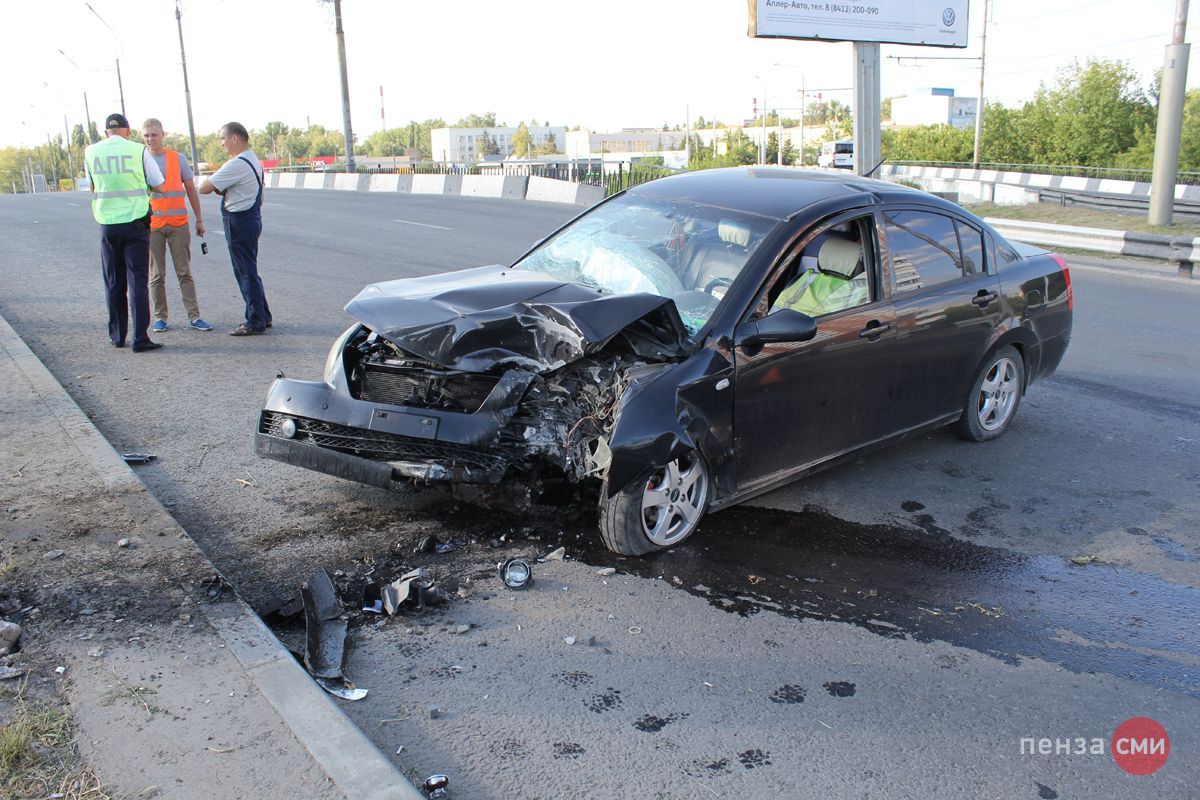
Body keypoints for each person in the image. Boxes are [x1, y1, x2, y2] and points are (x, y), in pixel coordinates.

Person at [83, 112, 167, 352]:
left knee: (113, 280)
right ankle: (140, 338)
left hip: (108, 224)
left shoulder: (91, 152)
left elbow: (91, 187)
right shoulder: (137, 150)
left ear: (105, 132)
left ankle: (118, 336)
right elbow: (159, 185)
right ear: (128, 131)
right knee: (137, 279)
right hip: (135, 222)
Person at [199, 122, 272, 336]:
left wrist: (216, 184)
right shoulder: (252, 159)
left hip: (239, 221)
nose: (222, 143)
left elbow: (204, 188)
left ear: (235, 138)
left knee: (245, 271)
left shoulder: (237, 163)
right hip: (251, 218)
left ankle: (254, 321)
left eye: (223, 139)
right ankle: (262, 314)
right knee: (250, 269)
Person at [141, 118, 212, 332]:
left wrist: (199, 219)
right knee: (156, 275)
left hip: (178, 224)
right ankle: (160, 317)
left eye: (154, 134)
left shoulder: (177, 159)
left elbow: (191, 190)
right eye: (146, 135)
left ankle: (194, 316)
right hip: (153, 225)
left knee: (184, 272)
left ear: (163, 134)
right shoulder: (141, 160)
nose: (151, 139)